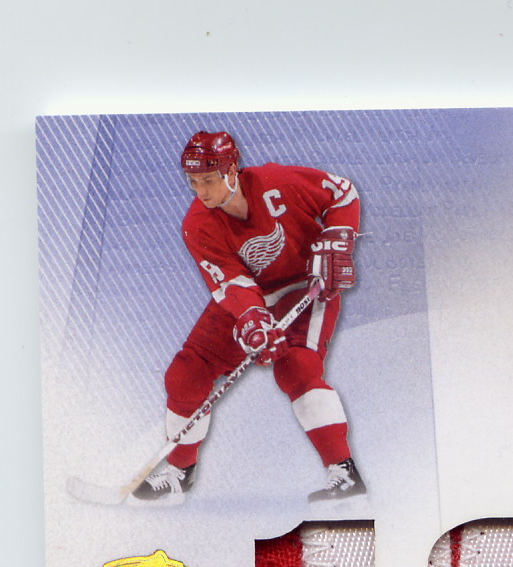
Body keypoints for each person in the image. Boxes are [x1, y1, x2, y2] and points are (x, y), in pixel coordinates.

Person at [131, 130, 366, 505]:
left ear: (231, 170)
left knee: (297, 367)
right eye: (193, 182)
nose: (201, 192)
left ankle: (344, 472)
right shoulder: (198, 224)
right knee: (186, 374)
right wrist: (253, 320)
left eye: (208, 180)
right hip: (253, 294)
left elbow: (342, 193)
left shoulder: (277, 182)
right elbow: (233, 285)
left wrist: (339, 236)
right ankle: (179, 474)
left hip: (306, 284)